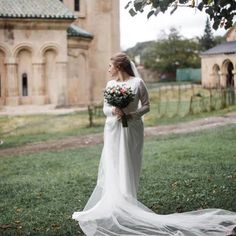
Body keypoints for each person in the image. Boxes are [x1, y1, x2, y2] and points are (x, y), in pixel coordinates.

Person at [72, 52, 236, 235]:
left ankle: (128, 202)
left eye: (110, 66)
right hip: (113, 129)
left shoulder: (137, 83)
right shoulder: (110, 85)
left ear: (118, 67)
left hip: (132, 129)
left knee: (129, 164)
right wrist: (114, 110)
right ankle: (114, 204)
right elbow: (105, 108)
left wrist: (132, 115)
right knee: (113, 163)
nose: (108, 69)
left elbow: (146, 105)